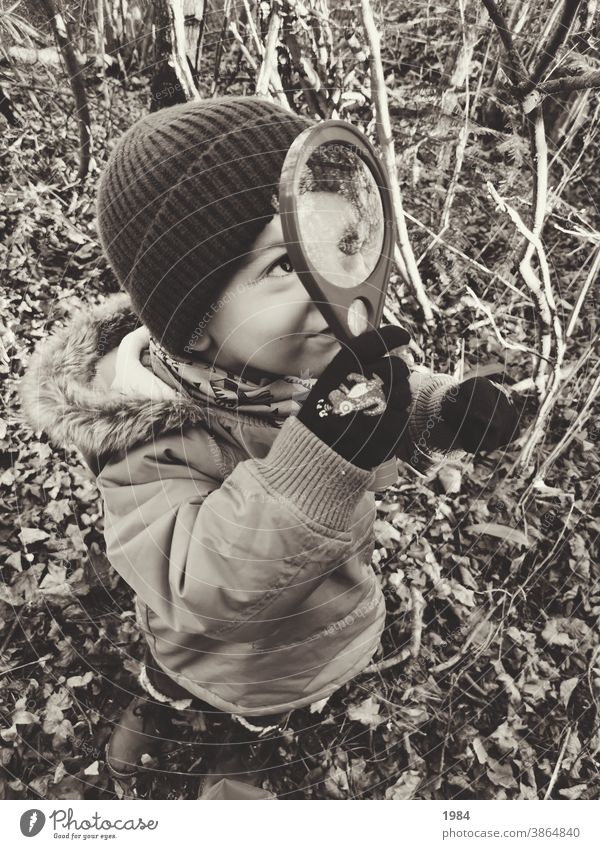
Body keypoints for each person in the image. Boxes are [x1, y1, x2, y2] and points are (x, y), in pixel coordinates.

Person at [20, 96, 521, 799]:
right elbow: (195, 586)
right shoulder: (147, 435)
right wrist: (312, 462)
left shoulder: (310, 351)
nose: (327, 286)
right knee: (177, 672)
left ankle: (244, 743)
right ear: (193, 325)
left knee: (264, 710)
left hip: (311, 633)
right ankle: (161, 704)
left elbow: (383, 393)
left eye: (338, 244)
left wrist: (440, 408)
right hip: (202, 645)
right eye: (285, 265)